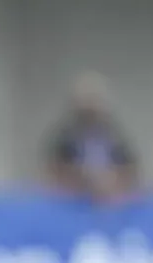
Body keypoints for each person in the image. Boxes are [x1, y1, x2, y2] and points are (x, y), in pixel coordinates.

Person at [45, 71, 137, 204]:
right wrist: (83, 179)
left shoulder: (115, 138)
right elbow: (54, 172)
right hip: (73, 203)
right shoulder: (64, 138)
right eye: (85, 105)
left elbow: (129, 171)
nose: (90, 110)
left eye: (94, 103)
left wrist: (111, 184)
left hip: (111, 204)